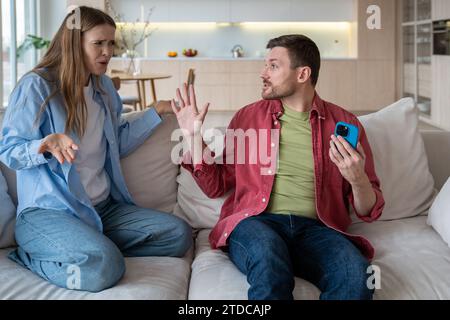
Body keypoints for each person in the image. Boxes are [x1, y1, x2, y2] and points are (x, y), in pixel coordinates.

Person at [172, 34, 385, 300]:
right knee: (268, 258)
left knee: (357, 277)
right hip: (256, 223)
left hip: (318, 229)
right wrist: (193, 136)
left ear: (302, 74)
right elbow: (215, 186)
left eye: (273, 66)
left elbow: (368, 210)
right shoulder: (248, 117)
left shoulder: (345, 124)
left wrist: (358, 179)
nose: (263, 73)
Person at [0, 6, 192, 292]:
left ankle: (88, 244)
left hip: (101, 210)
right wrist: (44, 144)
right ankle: (33, 254)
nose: (107, 52)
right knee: (104, 267)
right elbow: (9, 150)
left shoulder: (103, 88)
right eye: (98, 43)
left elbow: (117, 142)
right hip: (50, 212)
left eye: (111, 43)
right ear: (74, 44)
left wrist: (155, 112)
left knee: (178, 235)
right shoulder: (36, 86)